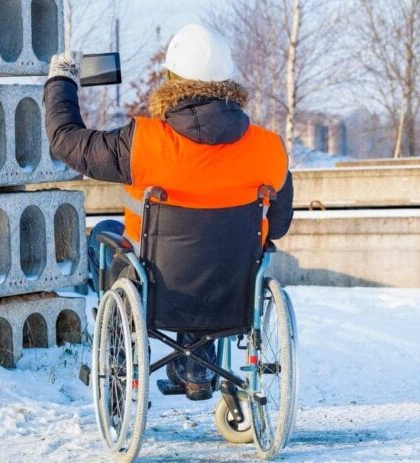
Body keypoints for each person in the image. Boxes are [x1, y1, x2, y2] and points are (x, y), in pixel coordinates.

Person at [44, 24, 294, 401]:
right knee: (212, 253)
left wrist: (62, 81)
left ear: (171, 78)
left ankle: (120, 350)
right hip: (231, 288)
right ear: (228, 81)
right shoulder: (269, 149)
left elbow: (67, 142)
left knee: (104, 237)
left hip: (159, 287)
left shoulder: (143, 143)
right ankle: (196, 363)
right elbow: (278, 225)